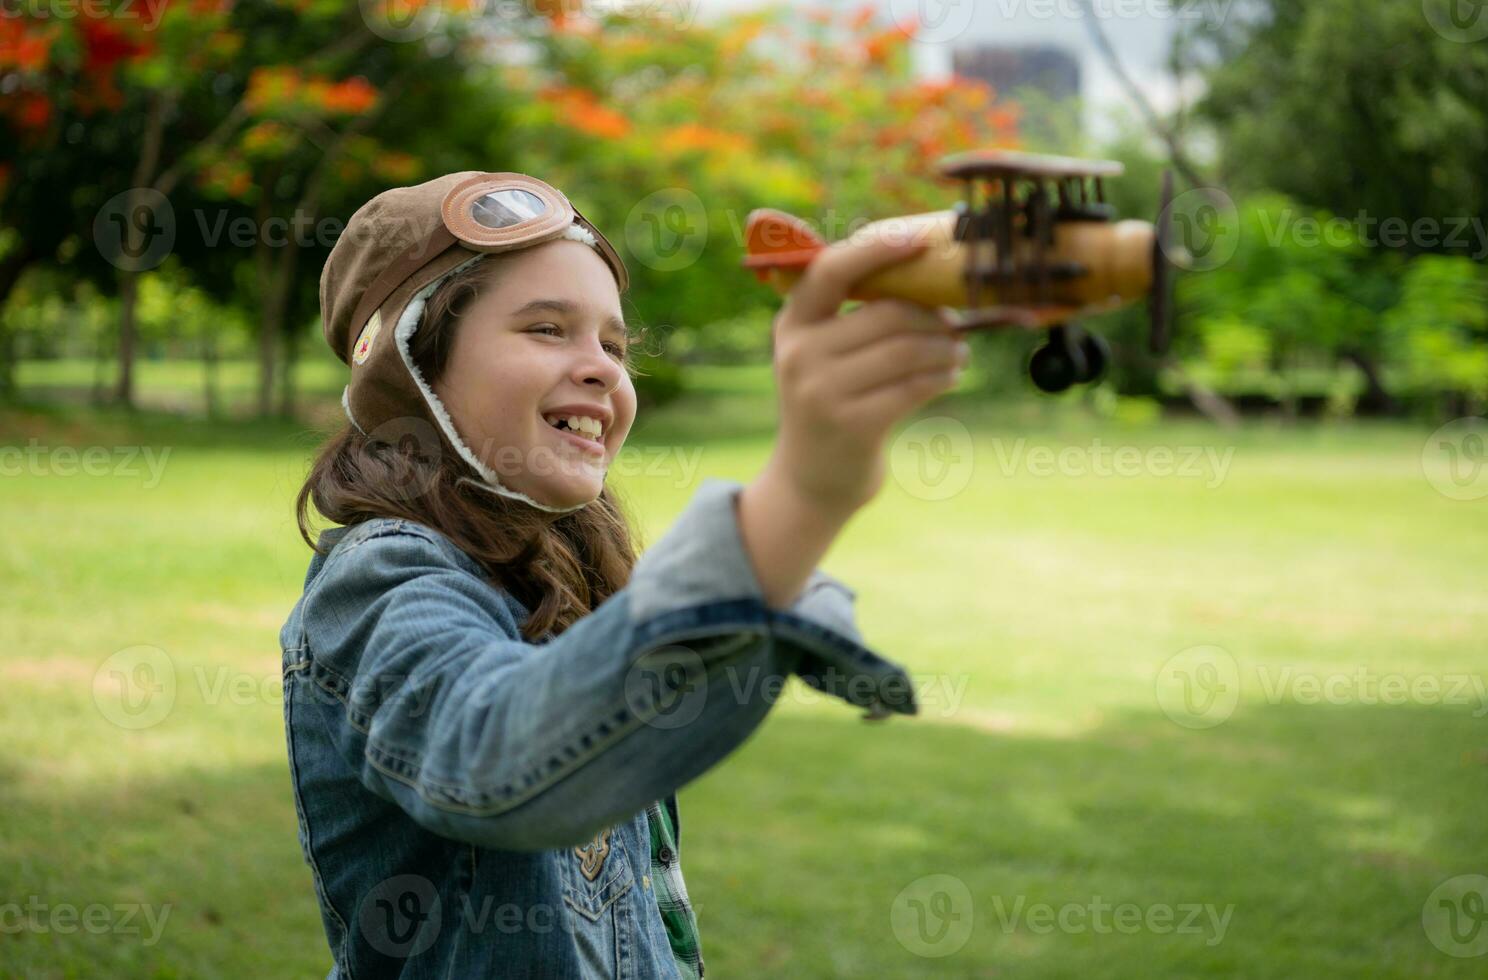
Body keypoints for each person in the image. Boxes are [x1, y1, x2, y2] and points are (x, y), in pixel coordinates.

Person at [279, 171, 970, 979]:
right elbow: (493, 762)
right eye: (546, 329)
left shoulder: (562, 585)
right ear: (411, 370)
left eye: (613, 343)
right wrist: (801, 498)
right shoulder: (382, 581)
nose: (602, 368)